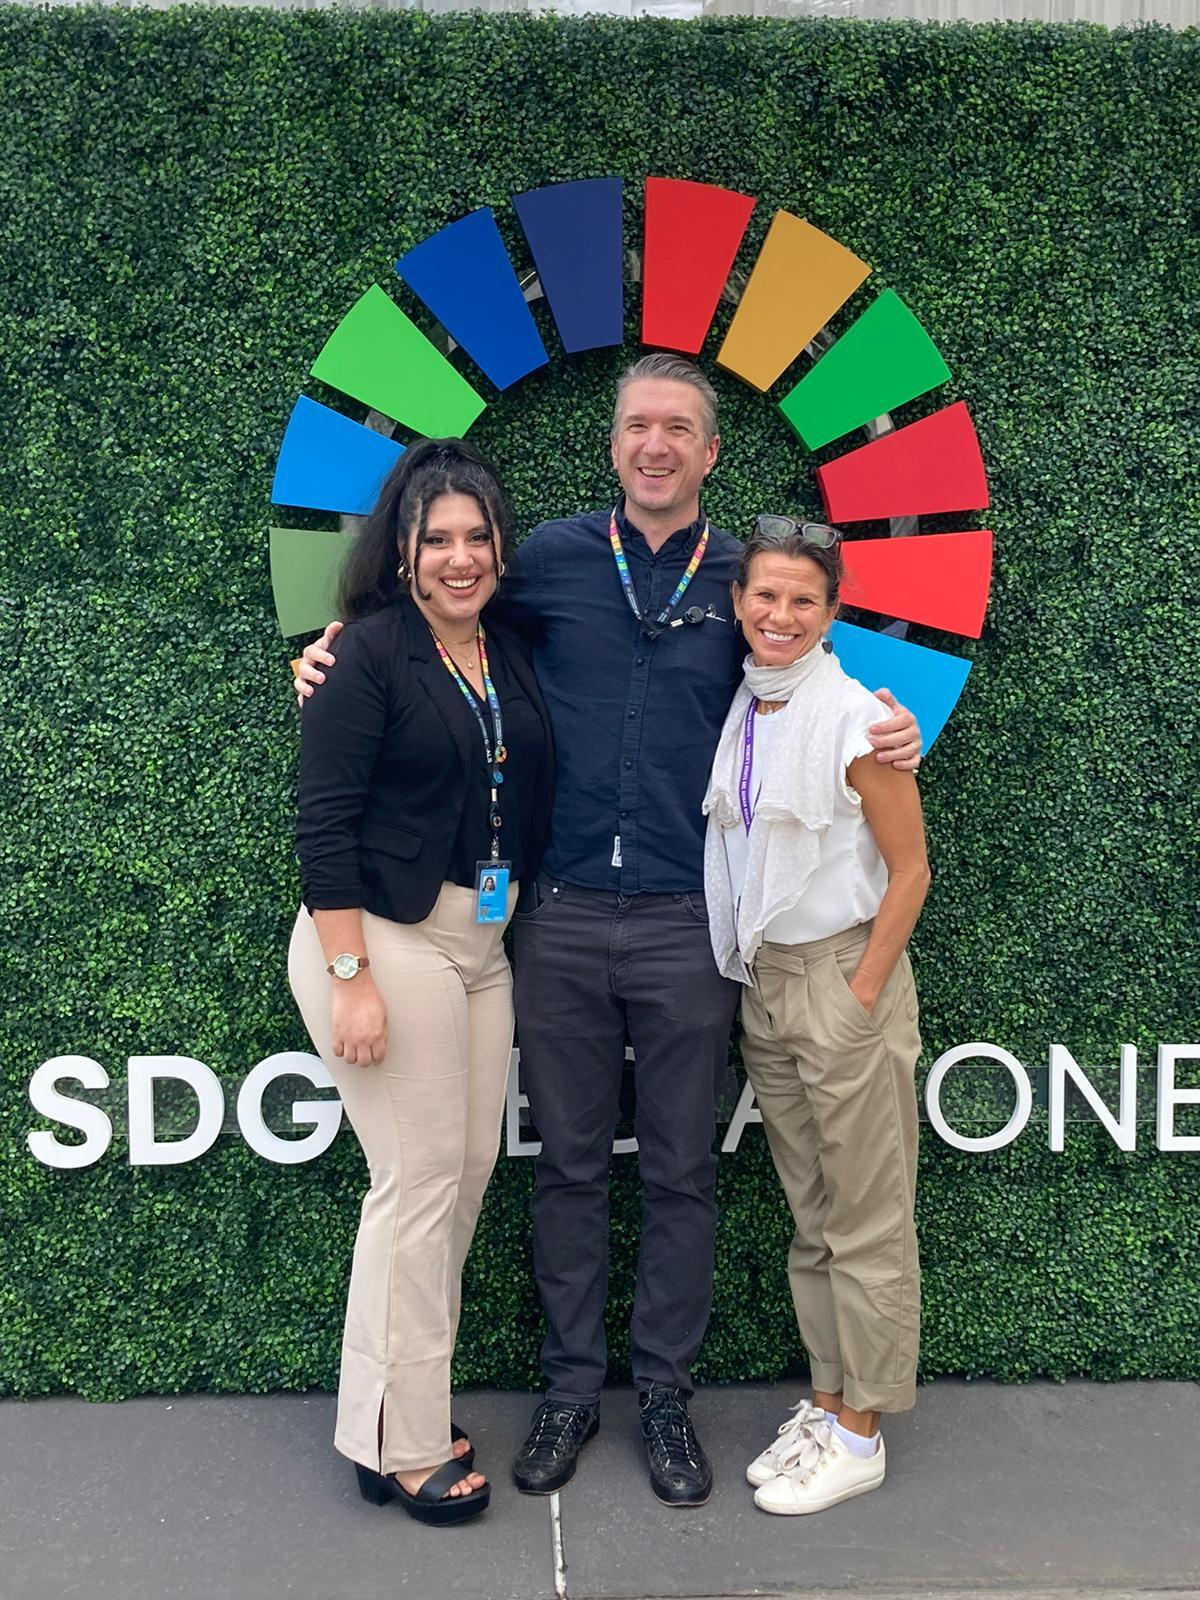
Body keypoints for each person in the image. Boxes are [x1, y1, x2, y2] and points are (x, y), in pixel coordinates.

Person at [296, 354, 922, 1508]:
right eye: (639, 424)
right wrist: (330, 647)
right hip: (559, 915)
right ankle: (572, 1388)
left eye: (679, 428)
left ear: (710, 450)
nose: (656, 444)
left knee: (682, 1171)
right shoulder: (544, 564)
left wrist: (896, 730)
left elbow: (823, 672)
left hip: (694, 921)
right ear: (615, 441)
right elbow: (433, 620)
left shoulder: (749, 580)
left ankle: (667, 1399)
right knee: (570, 1166)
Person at [288, 438, 553, 1525]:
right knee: (418, 1180)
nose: (458, 557)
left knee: (461, 1172)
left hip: (481, 947)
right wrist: (351, 977)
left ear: (499, 548)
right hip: (382, 937)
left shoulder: (513, 650)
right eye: (435, 538)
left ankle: (381, 1417)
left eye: (476, 537)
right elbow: (323, 821)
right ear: (401, 553)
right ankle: (405, 1446)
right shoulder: (366, 655)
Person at [702, 515, 929, 1516]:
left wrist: (863, 992)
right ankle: (829, 1405)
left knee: (868, 1224)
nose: (780, 614)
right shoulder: (749, 705)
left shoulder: (855, 719)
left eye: (803, 599)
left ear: (832, 612)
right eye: (764, 595)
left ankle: (865, 1435)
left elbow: (912, 870)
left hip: (841, 980)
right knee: (814, 1220)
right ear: (739, 602)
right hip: (767, 983)